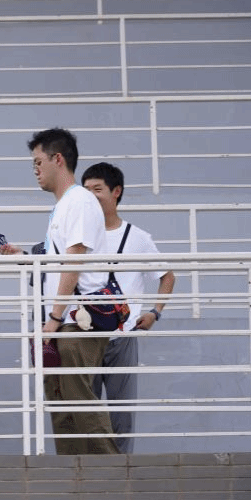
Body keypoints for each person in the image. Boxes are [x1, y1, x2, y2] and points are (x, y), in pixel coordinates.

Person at [0, 127, 119, 455]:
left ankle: (113, 471)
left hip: (76, 320)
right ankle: (72, 473)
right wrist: (25, 258)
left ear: (58, 159)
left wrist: (53, 317)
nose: (35, 170)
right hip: (61, 320)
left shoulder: (79, 201)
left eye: (38, 162)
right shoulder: (65, 205)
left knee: (78, 398)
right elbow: (59, 263)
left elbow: (74, 261)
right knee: (60, 401)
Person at [82, 162, 176, 454]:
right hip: (84, 336)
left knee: (122, 415)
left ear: (116, 192)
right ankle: (90, 470)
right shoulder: (77, 236)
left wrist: (154, 312)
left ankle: (121, 470)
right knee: (85, 414)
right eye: (85, 191)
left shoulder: (138, 237)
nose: (90, 196)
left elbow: (167, 276)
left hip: (123, 336)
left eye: (97, 189)